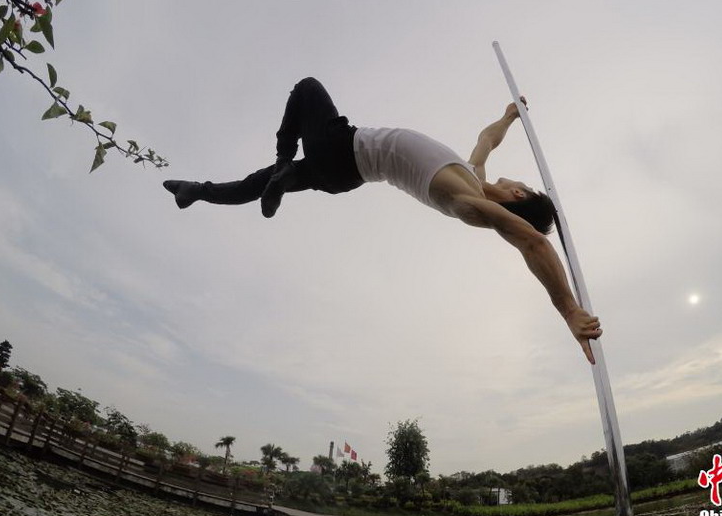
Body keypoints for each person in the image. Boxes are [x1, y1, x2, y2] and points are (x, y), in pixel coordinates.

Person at [164, 77, 602, 363]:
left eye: (520, 183)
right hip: (343, 174)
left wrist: (567, 308)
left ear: (518, 195)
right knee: (252, 184)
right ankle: (196, 191)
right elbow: (487, 139)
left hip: (343, 149)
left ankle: (282, 163)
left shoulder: (468, 200)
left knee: (306, 89)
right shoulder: (474, 176)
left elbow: (531, 242)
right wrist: (509, 116)